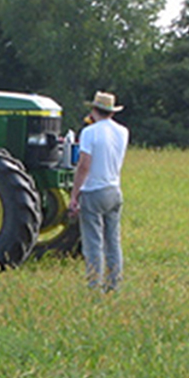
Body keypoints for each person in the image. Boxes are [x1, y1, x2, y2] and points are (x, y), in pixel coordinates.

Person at [69, 91, 129, 292]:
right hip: (114, 189)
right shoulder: (123, 132)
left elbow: (84, 165)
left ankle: (94, 286)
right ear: (111, 112)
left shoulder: (89, 132)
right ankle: (114, 284)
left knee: (93, 243)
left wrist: (74, 194)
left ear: (94, 110)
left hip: (94, 190)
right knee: (113, 241)